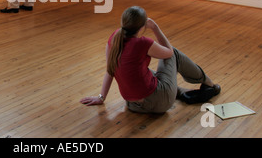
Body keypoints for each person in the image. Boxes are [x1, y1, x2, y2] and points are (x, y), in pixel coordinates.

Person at [80, 6, 221, 114]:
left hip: (132, 105)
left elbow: (110, 70)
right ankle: (209, 84)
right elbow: (169, 52)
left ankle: (182, 93)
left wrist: (101, 97)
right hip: (159, 103)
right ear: (142, 26)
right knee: (174, 54)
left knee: (147, 72)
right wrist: (155, 28)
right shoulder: (143, 43)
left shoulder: (114, 38)